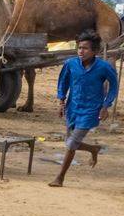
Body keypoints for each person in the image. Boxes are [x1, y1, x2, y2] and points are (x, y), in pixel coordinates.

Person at [49, 30, 119, 187]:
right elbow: (63, 82)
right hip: (72, 108)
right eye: (79, 47)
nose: (81, 51)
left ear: (94, 51)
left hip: (91, 110)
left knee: (72, 143)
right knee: (70, 141)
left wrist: (106, 105)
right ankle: (93, 149)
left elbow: (114, 86)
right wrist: (61, 102)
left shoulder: (103, 67)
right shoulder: (70, 64)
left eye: (85, 48)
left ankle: (59, 178)